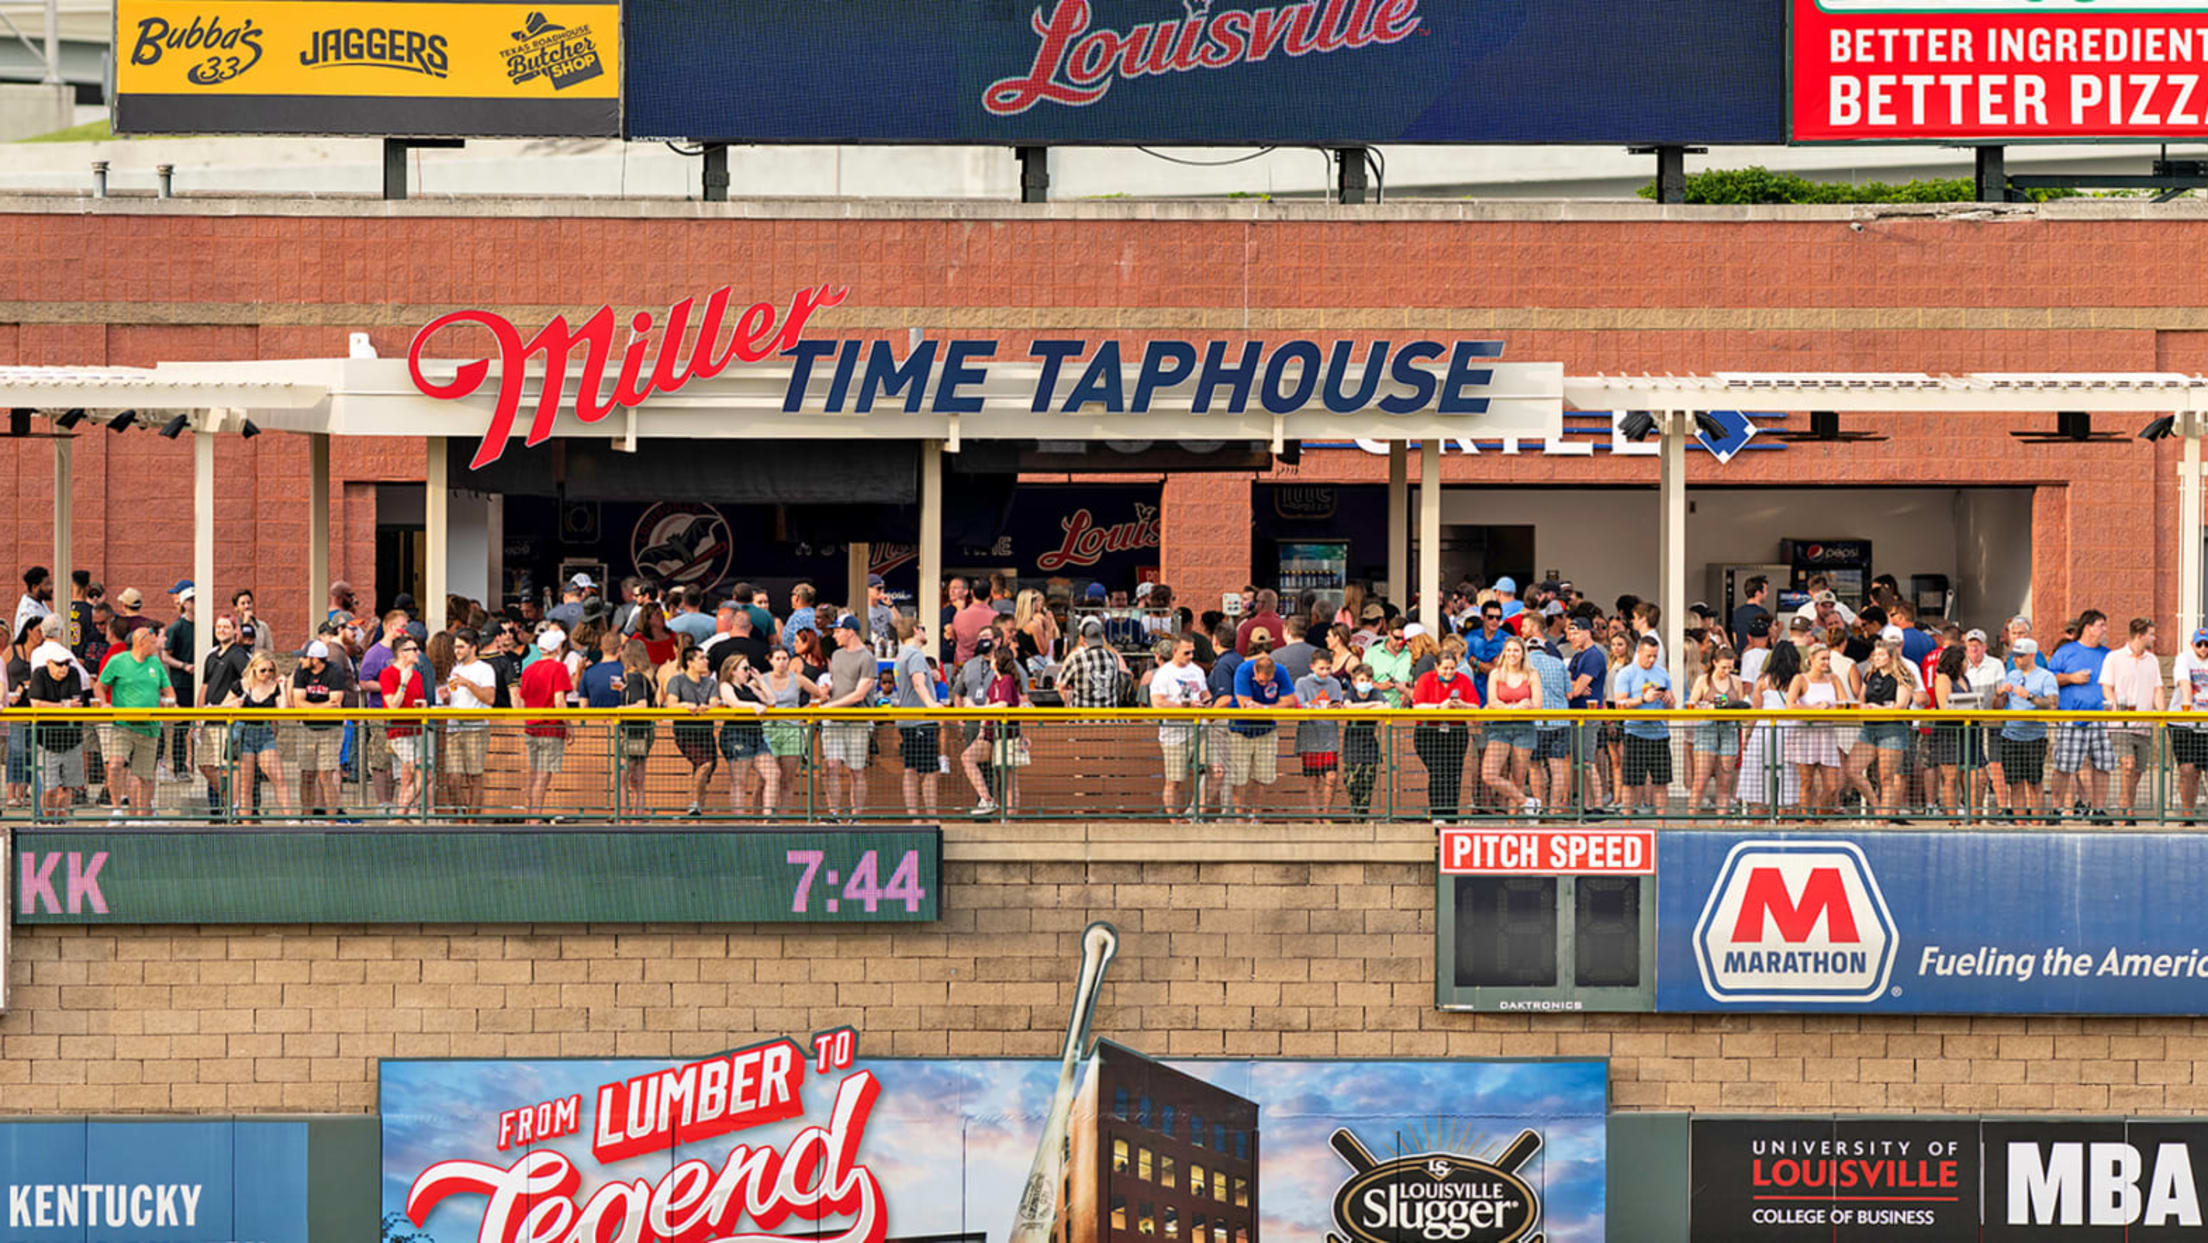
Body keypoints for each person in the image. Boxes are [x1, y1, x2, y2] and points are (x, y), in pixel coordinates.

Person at [95, 624, 175, 817]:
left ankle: (141, 814)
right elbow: (100, 686)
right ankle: (116, 809)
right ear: (141, 642)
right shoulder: (118, 661)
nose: (156, 645)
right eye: (153, 642)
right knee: (115, 763)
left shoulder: (155, 664)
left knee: (144, 776)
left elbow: (168, 691)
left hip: (150, 728)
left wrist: (170, 703)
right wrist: (104, 703)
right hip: (123, 726)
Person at [2048, 610, 2113, 818]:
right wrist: (2070, 678)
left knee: (2102, 766)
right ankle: (2056, 809)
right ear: (2088, 627)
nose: (2104, 630)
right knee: (2063, 767)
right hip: (2072, 718)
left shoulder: (2108, 655)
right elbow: (2048, 680)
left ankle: (2099, 810)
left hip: (2101, 719)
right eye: (2101, 625)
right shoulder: (2066, 652)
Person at [1848, 640, 1920, 822]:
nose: (1877, 658)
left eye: (1881, 654)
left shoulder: (1903, 676)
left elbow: (1901, 706)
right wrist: (1864, 707)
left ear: (1891, 657)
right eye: (1876, 654)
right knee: (1852, 769)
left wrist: (1878, 709)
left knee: (1886, 777)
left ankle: (1884, 819)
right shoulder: (1870, 675)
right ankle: (1878, 807)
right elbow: (1861, 699)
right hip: (1869, 728)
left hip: (1892, 729)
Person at [1224, 648, 1297, 819]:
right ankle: (1239, 816)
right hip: (1240, 730)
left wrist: (1264, 708)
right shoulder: (1243, 671)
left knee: (1263, 777)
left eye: (1268, 681)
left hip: (1266, 730)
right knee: (1238, 778)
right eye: (1260, 680)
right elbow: (1246, 706)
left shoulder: (1281, 672)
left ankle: (1256, 816)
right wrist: (1268, 707)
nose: (1264, 684)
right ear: (1255, 671)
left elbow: (1289, 701)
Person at [1994, 638, 2059, 822]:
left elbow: (2053, 704)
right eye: (2014, 656)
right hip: (2011, 736)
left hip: (2034, 737)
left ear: (2032, 655)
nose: (2016, 660)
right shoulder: (2012, 675)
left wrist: (2030, 696)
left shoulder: (2046, 677)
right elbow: (1998, 705)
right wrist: (1999, 694)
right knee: (2015, 783)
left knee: (2034, 783)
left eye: (2020, 656)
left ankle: (2037, 823)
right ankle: (2020, 822)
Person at [226, 651, 295, 820]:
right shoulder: (241, 685)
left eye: (270, 670)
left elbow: (283, 711)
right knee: (246, 783)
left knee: (278, 777)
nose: (267, 674)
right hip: (244, 732)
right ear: (253, 669)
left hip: (264, 733)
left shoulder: (275, 687)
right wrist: (234, 705)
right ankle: (246, 821)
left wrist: (283, 687)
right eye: (263, 670)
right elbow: (222, 706)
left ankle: (290, 818)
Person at [194, 614, 250, 817]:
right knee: (205, 765)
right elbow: (205, 686)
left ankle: (230, 807)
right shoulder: (212, 656)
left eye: (226, 626)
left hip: (227, 721)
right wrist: (198, 716)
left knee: (224, 765)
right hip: (209, 720)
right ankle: (224, 804)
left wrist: (233, 703)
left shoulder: (238, 655)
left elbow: (249, 681)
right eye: (218, 626)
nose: (221, 630)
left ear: (235, 630)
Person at [1411, 652, 1478, 823]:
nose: (1448, 672)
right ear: (1436, 667)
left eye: (1452, 668)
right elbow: (1417, 706)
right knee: (1438, 771)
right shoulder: (1426, 679)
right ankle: (1438, 814)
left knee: (1454, 773)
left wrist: (1462, 705)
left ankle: (1451, 815)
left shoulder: (1463, 680)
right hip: (1429, 732)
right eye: (1445, 669)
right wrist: (1440, 707)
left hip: (1455, 732)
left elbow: (1475, 706)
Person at [820, 618, 877, 819]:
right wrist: (827, 693)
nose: (835, 635)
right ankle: (834, 812)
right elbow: (839, 685)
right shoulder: (836, 655)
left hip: (857, 720)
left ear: (850, 631)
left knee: (856, 770)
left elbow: (859, 694)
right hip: (834, 720)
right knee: (831, 766)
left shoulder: (867, 658)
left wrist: (828, 706)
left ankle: (856, 815)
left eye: (837, 631)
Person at [1612, 634, 1675, 815]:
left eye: (1655, 656)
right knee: (1630, 781)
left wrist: (1669, 700)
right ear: (1638, 652)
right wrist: (1642, 699)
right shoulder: (1627, 673)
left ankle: (1662, 822)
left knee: (1661, 782)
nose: (1652, 660)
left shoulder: (1662, 673)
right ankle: (1627, 822)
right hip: (1635, 733)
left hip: (1660, 733)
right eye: (1648, 656)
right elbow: (1619, 704)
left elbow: (1672, 703)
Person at [1148, 636, 1210, 819]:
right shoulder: (1163, 674)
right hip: (1174, 734)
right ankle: (1174, 822)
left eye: (1193, 652)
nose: (1191, 656)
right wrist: (1185, 707)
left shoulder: (1197, 671)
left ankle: (1195, 815)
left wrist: (1207, 702)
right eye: (1187, 652)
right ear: (1175, 652)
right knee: (1174, 780)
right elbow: (1157, 703)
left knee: (1216, 770)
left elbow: (1205, 692)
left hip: (1200, 728)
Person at [25, 640, 86, 820]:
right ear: (48, 663)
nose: (64, 668)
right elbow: (35, 704)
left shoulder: (73, 674)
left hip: (71, 739)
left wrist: (55, 707)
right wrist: (63, 705)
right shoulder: (39, 674)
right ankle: (47, 821)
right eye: (59, 664)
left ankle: (62, 819)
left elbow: (77, 704)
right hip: (47, 741)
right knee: (50, 787)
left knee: (68, 786)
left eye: (66, 663)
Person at [442, 629, 498, 817]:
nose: (456, 650)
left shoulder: (485, 669)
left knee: (474, 776)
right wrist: (445, 698)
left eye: (460, 646)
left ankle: (472, 819)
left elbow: (490, 698)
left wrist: (469, 684)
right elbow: (454, 699)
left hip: (476, 727)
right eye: (455, 646)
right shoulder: (455, 669)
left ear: (473, 647)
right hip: (454, 726)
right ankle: (460, 816)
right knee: (453, 778)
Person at [1784, 644, 1846, 814]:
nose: (1826, 662)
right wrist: (1815, 709)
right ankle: (1807, 817)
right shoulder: (1800, 679)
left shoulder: (1834, 679)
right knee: (1807, 782)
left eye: (1828, 659)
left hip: (1826, 733)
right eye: (1823, 659)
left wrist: (1827, 709)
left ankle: (1819, 815)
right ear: (1811, 660)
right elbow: (1790, 705)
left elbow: (1844, 705)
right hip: (1804, 734)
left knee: (1832, 786)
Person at [963, 646, 1025, 816]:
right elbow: (990, 703)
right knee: (968, 758)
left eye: (993, 657)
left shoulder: (1006, 680)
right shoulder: (995, 681)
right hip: (991, 734)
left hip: (1006, 735)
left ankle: (1010, 820)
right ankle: (987, 799)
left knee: (1008, 779)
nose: (990, 659)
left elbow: (1002, 704)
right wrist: (982, 730)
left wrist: (976, 708)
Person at [1481, 636, 1540, 814]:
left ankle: (1513, 822)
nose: (1512, 654)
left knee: (1518, 779)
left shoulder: (1531, 674)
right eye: (1508, 650)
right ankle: (1528, 802)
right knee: (1489, 774)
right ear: (1503, 653)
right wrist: (1516, 706)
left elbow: (1536, 705)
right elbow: (1492, 702)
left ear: (1523, 653)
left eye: (1516, 650)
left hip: (1524, 729)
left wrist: (1512, 706)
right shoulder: (1496, 674)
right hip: (1499, 727)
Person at [661, 644, 720, 816]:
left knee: (707, 768)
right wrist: (686, 706)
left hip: (706, 732)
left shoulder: (710, 683)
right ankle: (695, 805)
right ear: (690, 662)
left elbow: (714, 703)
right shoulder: (677, 681)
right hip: (685, 732)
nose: (706, 661)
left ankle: (697, 809)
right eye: (701, 658)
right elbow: (671, 704)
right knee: (704, 764)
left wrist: (706, 707)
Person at [714, 653, 775, 816]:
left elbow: (771, 700)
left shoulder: (749, 687)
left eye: (749, 668)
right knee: (739, 781)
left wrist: (761, 680)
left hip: (756, 734)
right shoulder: (726, 685)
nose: (748, 672)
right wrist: (753, 705)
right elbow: (734, 703)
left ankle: (768, 818)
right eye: (745, 669)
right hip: (736, 734)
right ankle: (740, 822)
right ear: (733, 670)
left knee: (773, 774)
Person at [377, 632, 430, 816]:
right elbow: (392, 705)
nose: (418, 653)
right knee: (423, 773)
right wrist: (403, 683)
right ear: (402, 653)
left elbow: (418, 701)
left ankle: (403, 814)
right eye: (413, 650)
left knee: (408, 777)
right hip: (398, 731)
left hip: (416, 728)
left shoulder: (417, 675)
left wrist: (423, 706)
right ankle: (401, 813)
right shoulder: (388, 674)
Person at [1688, 647, 1745, 813]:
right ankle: (1691, 822)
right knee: (1701, 780)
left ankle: (1722, 821)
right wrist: (1709, 707)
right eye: (1723, 668)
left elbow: (1742, 704)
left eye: (1730, 668)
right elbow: (1691, 705)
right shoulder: (1703, 680)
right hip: (1707, 727)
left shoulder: (1736, 681)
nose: (1726, 672)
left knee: (1725, 782)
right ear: (1714, 663)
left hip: (1729, 729)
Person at [1293, 648, 1346, 815]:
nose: (1325, 672)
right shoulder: (1302, 683)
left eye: (1328, 668)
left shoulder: (1335, 683)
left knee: (1331, 777)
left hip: (1329, 736)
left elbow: (1339, 704)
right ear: (1312, 667)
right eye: (1321, 668)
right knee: (1313, 780)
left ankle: (1326, 814)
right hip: (1310, 736)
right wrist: (1323, 706)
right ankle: (1316, 817)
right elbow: (1300, 704)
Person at [2174, 628, 2208, 823]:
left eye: (2207, 644)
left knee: (2201, 770)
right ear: (2192, 644)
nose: (2203, 648)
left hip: (2205, 722)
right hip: (2184, 723)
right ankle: (2188, 813)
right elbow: (2185, 683)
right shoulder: (2184, 658)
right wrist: (2187, 707)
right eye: (2199, 644)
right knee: (2188, 769)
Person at [1058, 617, 1126, 709]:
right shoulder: (1113, 657)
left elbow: (1061, 686)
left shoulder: (1076, 658)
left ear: (1082, 638)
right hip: (1109, 718)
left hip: (1081, 720)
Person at [1234, 589, 1286, 657]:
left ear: (1261, 604)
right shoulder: (1287, 627)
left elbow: (1239, 654)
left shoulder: (1246, 627)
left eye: (1256, 601)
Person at [1730, 575, 1772, 646]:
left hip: (1742, 654)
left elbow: (1735, 638)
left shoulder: (1737, 613)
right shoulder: (1762, 613)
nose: (1767, 593)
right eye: (1765, 590)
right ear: (1757, 593)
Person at [14, 565, 53, 640]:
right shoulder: (27, 611)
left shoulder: (40, 602)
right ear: (34, 587)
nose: (51, 588)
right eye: (47, 585)